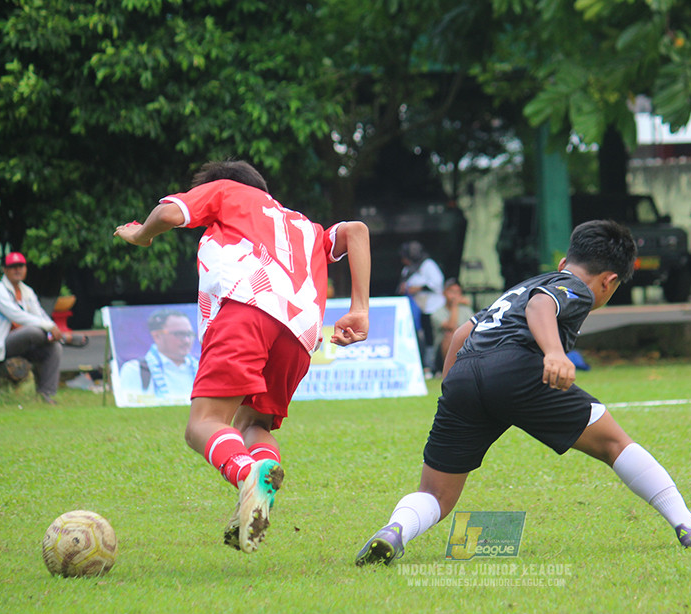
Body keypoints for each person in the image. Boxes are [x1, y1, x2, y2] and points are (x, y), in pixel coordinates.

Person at [355, 220, 691, 566]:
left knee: (437, 495)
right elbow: (541, 306)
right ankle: (687, 524)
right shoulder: (575, 287)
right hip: (516, 369)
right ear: (609, 281)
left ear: (565, 261)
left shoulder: (522, 287)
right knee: (614, 443)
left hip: (465, 374)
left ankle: (396, 529)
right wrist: (553, 352)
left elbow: (460, 334)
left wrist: (452, 391)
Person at [114, 160, 371, 554]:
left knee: (203, 424)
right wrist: (360, 308)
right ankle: (259, 483)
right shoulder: (306, 226)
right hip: (300, 336)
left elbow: (168, 213)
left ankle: (247, 473)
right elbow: (356, 230)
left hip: (246, 309)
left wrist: (142, 235)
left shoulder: (227, 190)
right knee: (253, 422)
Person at [0, 252, 84, 404]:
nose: (17, 270)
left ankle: (46, 394)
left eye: (20, 266)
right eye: (13, 267)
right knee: (34, 330)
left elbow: (41, 315)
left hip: (24, 344)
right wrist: (50, 328)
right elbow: (18, 316)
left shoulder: (27, 291)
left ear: (25, 269)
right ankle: (65, 338)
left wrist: (53, 329)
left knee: (54, 348)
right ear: (5, 270)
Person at [119, 308, 200, 398]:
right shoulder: (135, 370)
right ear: (157, 336)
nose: (187, 340)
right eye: (179, 334)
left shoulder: (201, 368)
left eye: (190, 334)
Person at [397, 241, 445, 373]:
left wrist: (418, 288)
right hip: (416, 309)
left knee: (432, 337)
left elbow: (437, 282)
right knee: (419, 337)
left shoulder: (428, 265)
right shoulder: (408, 269)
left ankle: (432, 365)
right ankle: (423, 365)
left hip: (432, 307)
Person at [429, 278, 474, 374]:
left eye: (457, 292)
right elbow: (451, 326)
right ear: (444, 293)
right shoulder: (437, 312)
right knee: (450, 336)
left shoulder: (466, 310)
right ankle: (448, 372)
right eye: (451, 292)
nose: (454, 295)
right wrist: (454, 305)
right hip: (441, 355)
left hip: (464, 349)